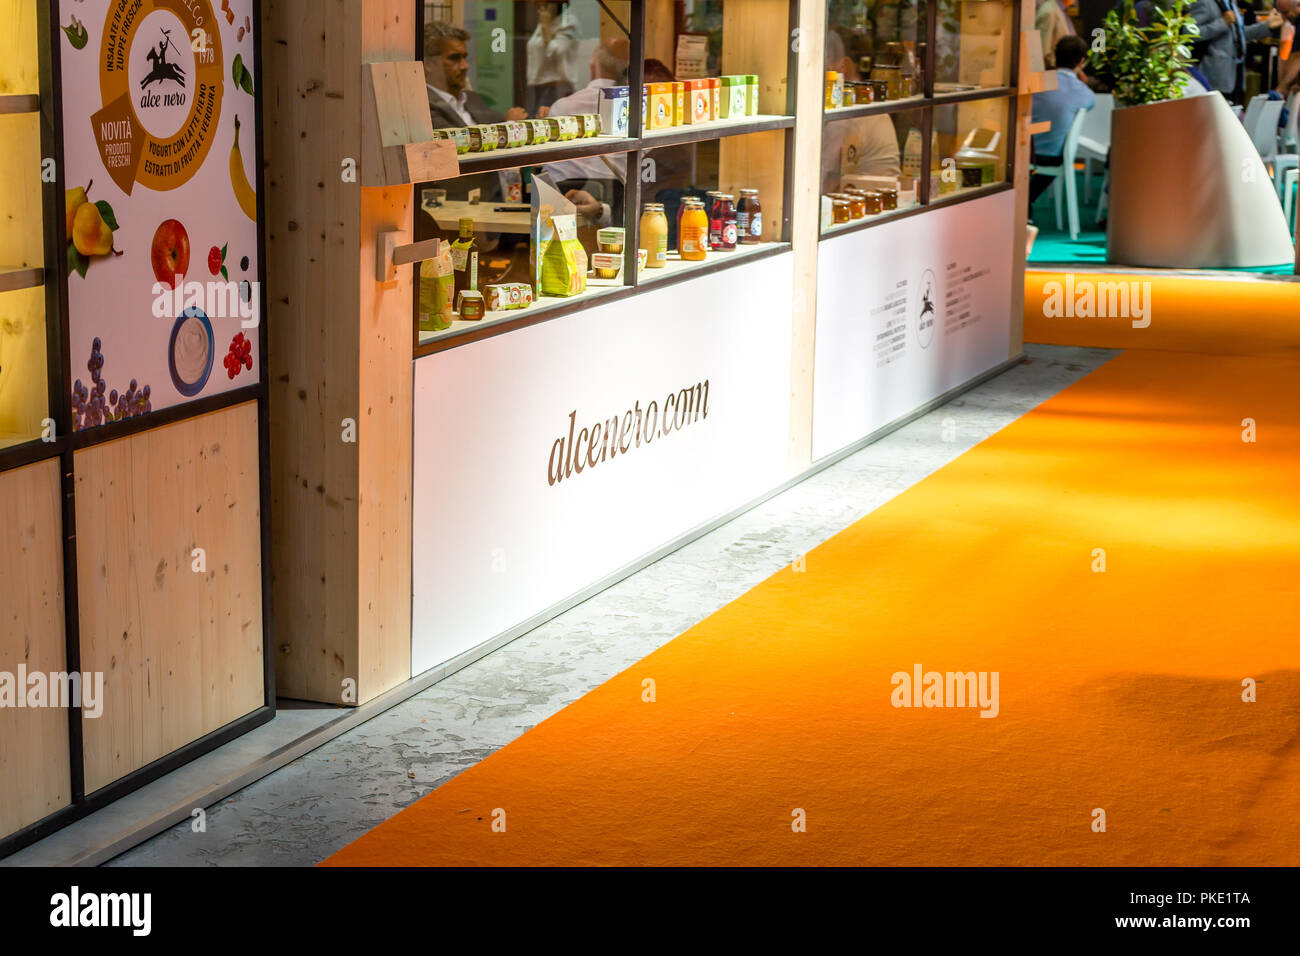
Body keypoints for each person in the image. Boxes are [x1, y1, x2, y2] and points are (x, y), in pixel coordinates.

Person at [424, 20, 528, 202]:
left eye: (465, 57)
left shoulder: (470, 98)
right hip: (457, 206)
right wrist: (508, 125)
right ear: (429, 64)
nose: (465, 66)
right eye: (454, 58)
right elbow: (459, 144)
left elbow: (506, 121)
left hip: (496, 198)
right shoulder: (423, 105)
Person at [541, 38, 632, 228]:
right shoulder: (641, 108)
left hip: (566, 211)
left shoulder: (563, 107)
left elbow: (548, 180)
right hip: (624, 212)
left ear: (593, 66)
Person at [1029, 35, 1096, 204]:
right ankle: (1026, 203)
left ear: (1055, 57)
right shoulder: (1084, 93)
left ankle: (1024, 204)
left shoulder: (1037, 81)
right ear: (1082, 61)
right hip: (1055, 156)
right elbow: (1090, 103)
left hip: (1027, 152)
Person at [1189, 0, 1282, 100]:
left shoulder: (1230, 3)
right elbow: (1189, 33)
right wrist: (1223, 23)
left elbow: (1238, 35)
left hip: (1234, 73)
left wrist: (1267, 26)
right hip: (1214, 76)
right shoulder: (1204, 2)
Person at [526, 2, 579, 115]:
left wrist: (545, 27)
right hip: (537, 85)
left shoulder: (568, 22)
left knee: (546, 125)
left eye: (543, 4)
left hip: (555, 86)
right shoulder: (543, 22)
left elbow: (557, 52)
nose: (538, 8)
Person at [1037, 0, 1077, 68]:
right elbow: (1043, 52)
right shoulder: (1049, 11)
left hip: (1066, 71)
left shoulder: (1061, 10)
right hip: (1054, 72)